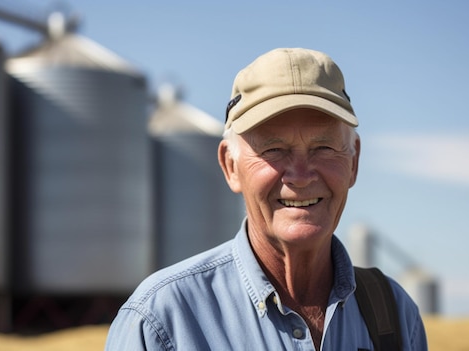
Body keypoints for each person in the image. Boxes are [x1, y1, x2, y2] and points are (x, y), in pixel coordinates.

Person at [105, 47, 428, 350]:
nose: (300, 175)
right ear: (230, 166)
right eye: (273, 150)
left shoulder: (395, 315)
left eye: (324, 148)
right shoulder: (162, 321)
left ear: (354, 162)